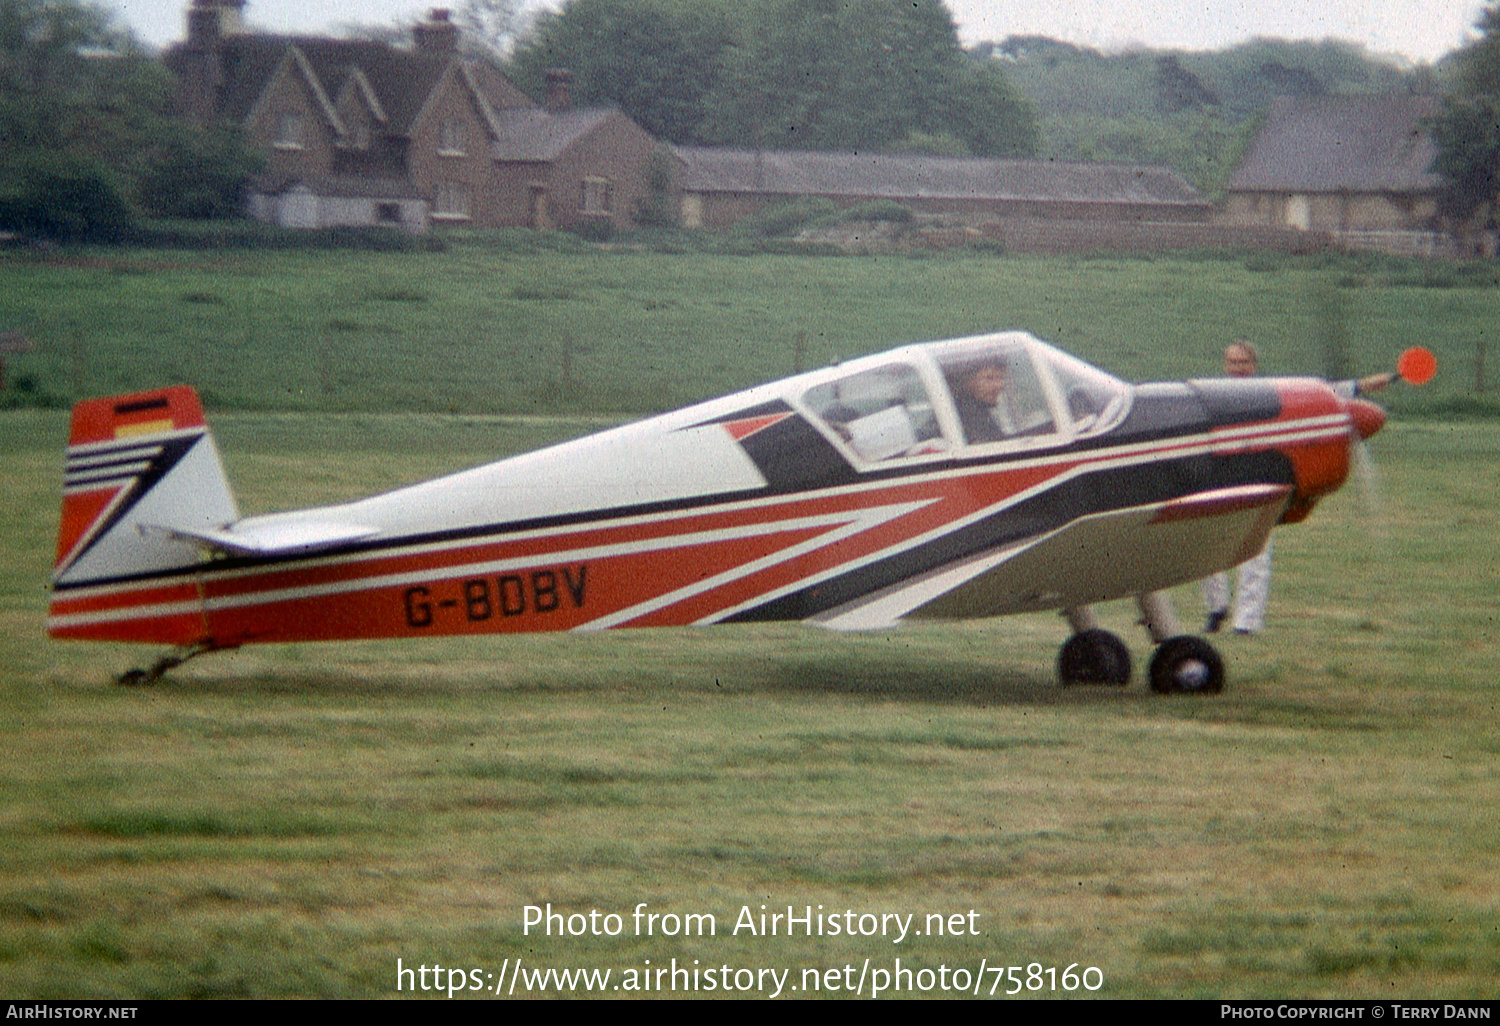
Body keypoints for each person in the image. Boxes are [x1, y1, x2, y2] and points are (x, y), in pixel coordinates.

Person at [1204, 341, 1272, 634]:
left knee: (1256, 552)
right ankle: (1216, 608)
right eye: (1232, 362)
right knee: (1206, 547)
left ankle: (1246, 622)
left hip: (1257, 478)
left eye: (1243, 363)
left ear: (1253, 366)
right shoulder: (1214, 396)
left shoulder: (1267, 396)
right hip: (1219, 477)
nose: (1237, 368)